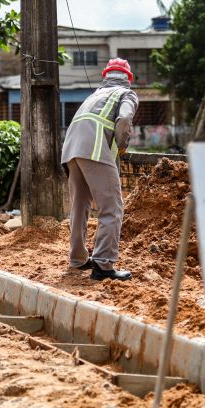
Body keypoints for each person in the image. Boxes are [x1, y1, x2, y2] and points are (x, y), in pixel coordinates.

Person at [61, 58, 139, 281]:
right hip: (94, 148)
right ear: (128, 79)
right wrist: (122, 145)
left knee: (79, 205)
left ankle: (77, 259)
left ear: (105, 76)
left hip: (71, 149)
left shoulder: (94, 95)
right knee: (112, 208)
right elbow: (124, 119)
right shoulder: (127, 94)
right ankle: (103, 265)